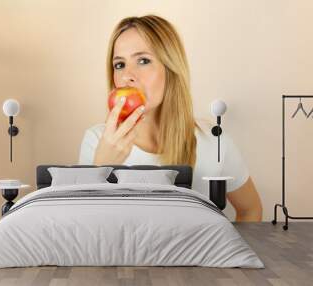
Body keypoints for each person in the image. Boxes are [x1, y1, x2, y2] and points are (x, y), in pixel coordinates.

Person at [78, 15, 262, 222]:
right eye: (119, 64)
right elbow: (85, 227)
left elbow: (250, 210)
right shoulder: (96, 140)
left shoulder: (214, 141)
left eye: (143, 61)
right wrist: (100, 168)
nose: (127, 76)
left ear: (171, 69)